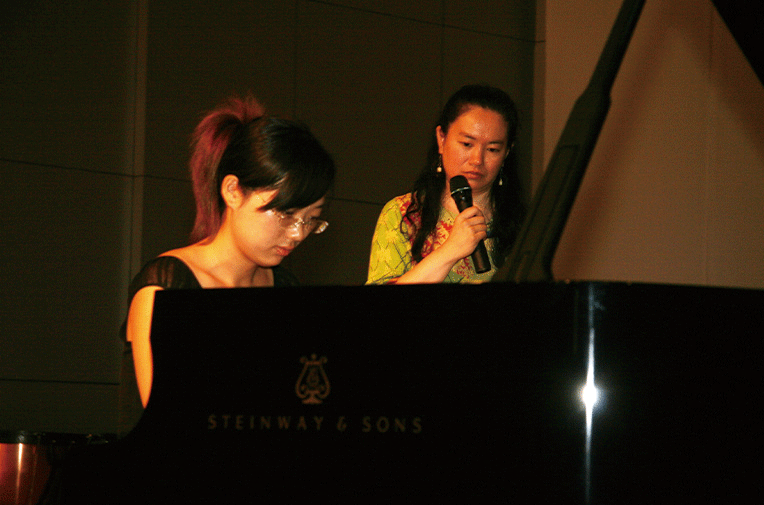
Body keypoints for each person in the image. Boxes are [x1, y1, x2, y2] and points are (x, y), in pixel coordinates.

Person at [118, 95, 335, 433]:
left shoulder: (285, 288)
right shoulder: (168, 287)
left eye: (311, 220)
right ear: (233, 191)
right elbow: (169, 419)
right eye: (286, 214)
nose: (297, 234)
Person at [366, 84, 524, 284]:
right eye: (467, 144)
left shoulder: (523, 226)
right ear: (442, 139)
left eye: (492, 149)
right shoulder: (402, 214)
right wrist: (451, 249)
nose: (477, 160)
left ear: (506, 153)